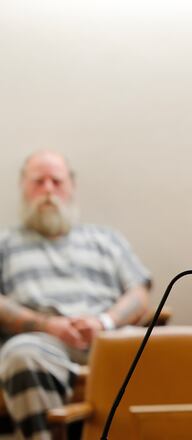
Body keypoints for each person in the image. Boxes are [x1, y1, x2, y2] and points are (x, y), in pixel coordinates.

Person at [0, 151, 151, 440]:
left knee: (172, 353)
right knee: (21, 355)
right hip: (42, 345)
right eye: (38, 182)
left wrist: (104, 323)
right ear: (23, 187)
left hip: (110, 340)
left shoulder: (106, 240)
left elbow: (139, 291)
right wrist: (47, 325)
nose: (48, 190)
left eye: (56, 181)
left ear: (71, 186)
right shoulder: (5, 243)